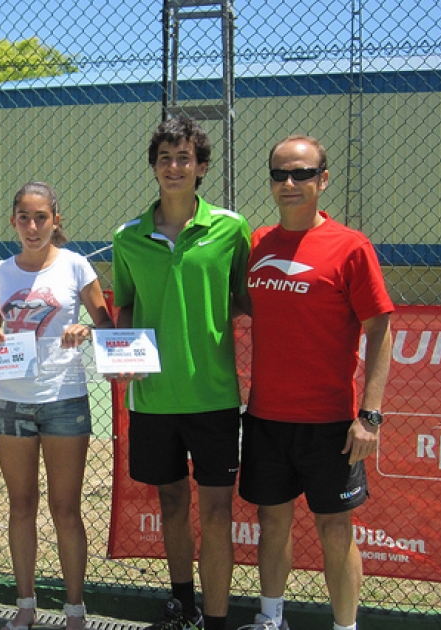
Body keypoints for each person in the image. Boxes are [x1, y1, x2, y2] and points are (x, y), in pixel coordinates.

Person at [237, 136, 393, 630]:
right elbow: (231, 307)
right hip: (266, 417)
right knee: (272, 522)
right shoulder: (257, 243)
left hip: (331, 424)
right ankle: (270, 619)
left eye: (302, 173)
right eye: (280, 174)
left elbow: (380, 329)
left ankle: (345, 628)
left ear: (323, 180)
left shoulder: (351, 247)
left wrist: (369, 415)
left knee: (334, 528)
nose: (290, 183)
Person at [111, 116, 251, 630]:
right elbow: (125, 307)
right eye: (165, 158)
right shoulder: (127, 238)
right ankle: (183, 603)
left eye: (184, 158)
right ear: (154, 168)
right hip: (152, 401)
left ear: (201, 167)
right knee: (172, 504)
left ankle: (216, 619)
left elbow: (243, 301)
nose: (174, 167)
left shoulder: (232, 230)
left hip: (213, 397)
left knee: (216, 514)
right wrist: (122, 358)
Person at [0, 182, 113, 630]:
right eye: (24, 218)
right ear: (13, 221)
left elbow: (106, 324)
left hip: (64, 400)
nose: (32, 227)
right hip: (11, 403)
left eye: (41, 218)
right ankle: (26, 606)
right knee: (20, 507)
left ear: (56, 220)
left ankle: (75, 611)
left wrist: (86, 332)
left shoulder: (77, 266)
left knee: (65, 509)